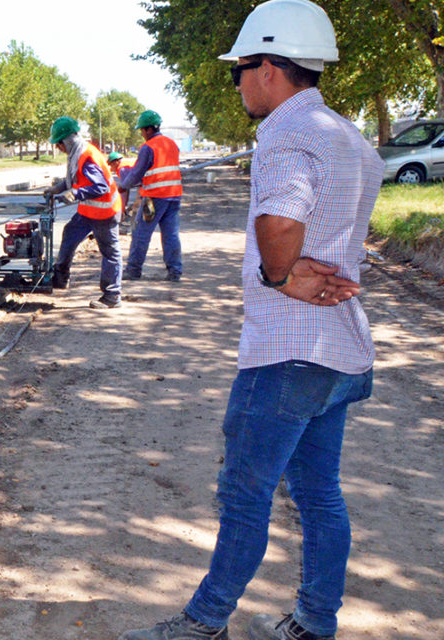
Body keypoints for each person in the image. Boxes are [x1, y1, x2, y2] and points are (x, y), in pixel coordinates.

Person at [118, 2, 380, 639]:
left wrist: (280, 274)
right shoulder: (349, 137)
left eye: (240, 69)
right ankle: (315, 624)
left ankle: (204, 624)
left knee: (244, 495)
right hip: (340, 350)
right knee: (320, 497)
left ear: (268, 68)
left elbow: (281, 221)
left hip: (287, 352)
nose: (236, 82)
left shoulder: (285, 135)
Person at [43, 116, 123, 309]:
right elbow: (76, 179)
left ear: (67, 140)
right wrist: (59, 188)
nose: (58, 148)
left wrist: (75, 193)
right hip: (89, 210)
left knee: (110, 252)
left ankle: (112, 296)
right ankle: (60, 277)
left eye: (59, 143)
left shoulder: (86, 156)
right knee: (70, 233)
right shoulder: (77, 154)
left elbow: (101, 186)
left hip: (104, 212)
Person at [115, 110, 184, 282]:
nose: (141, 134)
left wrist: (122, 186)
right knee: (171, 234)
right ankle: (175, 271)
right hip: (174, 196)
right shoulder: (172, 144)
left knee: (141, 233)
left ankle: (133, 270)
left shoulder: (148, 147)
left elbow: (136, 173)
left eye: (142, 131)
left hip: (154, 198)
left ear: (148, 130)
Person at [108, 151, 139, 234]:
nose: (111, 168)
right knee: (137, 206)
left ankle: (133, 231)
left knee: (137, 208)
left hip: (147, 185)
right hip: (145, 183)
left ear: (115, 162)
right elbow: (126, 189)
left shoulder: (122, 169)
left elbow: (124, 192)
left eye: (111, 165)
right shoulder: (126, 164)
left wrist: (120, 210)